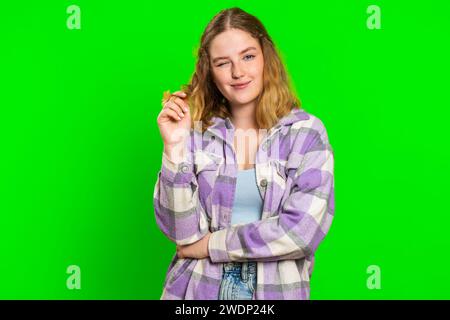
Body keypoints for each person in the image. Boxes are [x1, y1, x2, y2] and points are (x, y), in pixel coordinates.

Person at [153, 7, 335, 300]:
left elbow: (301, 232)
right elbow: (181, 234)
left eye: (248, 56)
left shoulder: (305, 133)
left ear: (266, 58)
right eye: (223, 63)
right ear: (209, 71)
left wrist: (211, 245)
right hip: (197, 291)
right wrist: (174, 148)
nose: (238, 72)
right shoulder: (196, 134)